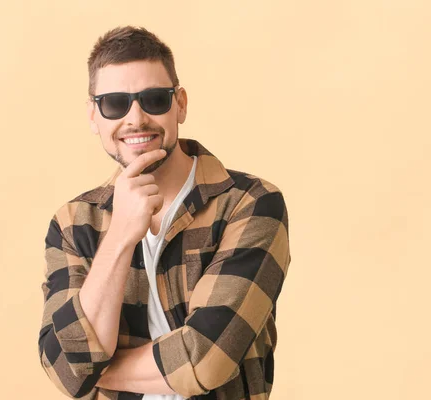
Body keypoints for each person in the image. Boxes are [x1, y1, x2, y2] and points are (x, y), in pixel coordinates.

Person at [38, 26, 291, 400]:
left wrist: (92, 374)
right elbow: (66, 370)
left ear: (181, 104)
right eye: (114, 103)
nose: (136, 118)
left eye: (155, 99)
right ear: (94, 116)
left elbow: (205, 359)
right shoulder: (73, 224)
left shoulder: (250, 204)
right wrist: (121, 234)